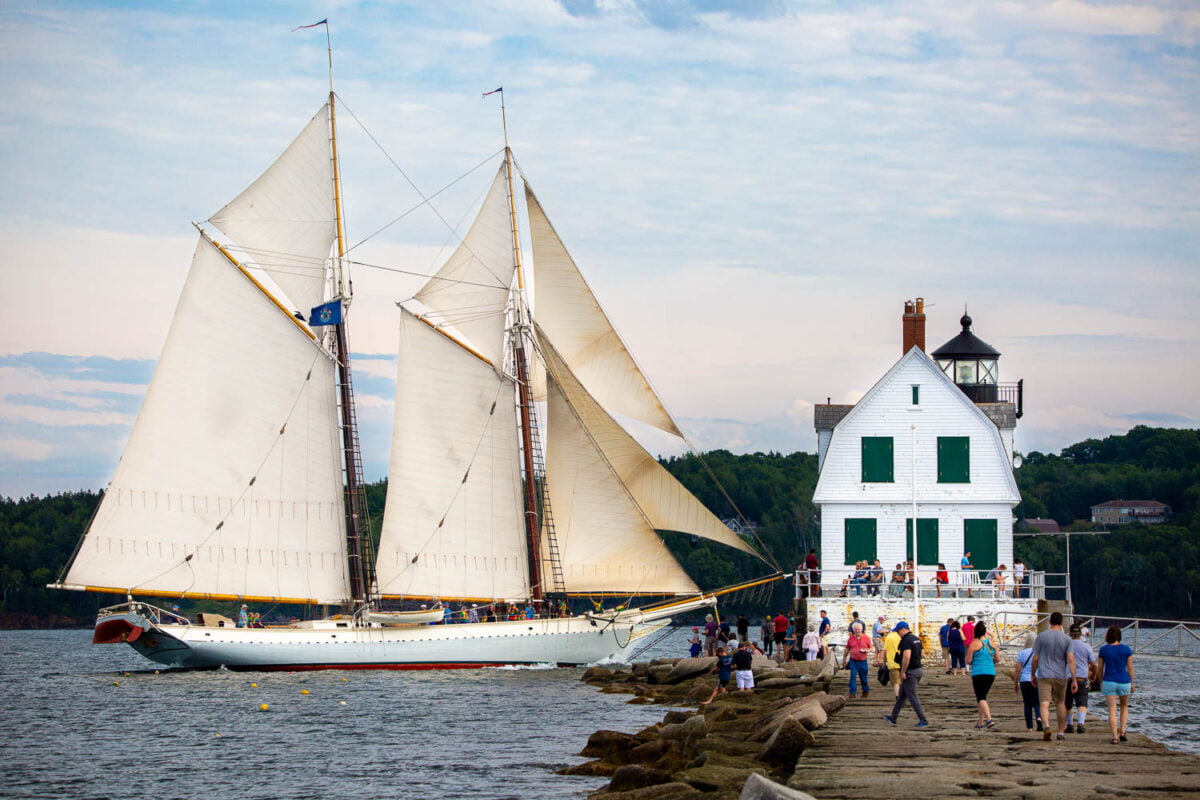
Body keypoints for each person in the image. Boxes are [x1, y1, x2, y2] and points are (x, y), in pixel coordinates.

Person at [1031, 611, 1078, 741]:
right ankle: (1061, 732)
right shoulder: (1067, 639)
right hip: (1060, 675)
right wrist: (1074, 679)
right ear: (1061, 622)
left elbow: (1035, 658)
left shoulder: (1041, 637)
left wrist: (1032, 674)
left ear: (1050, 621)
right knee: (1060, 703)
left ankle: (1047, 726)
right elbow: (1070, 659)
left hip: (1044, 674)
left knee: (1044, 702)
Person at [882, 621, 928, 728]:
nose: (898, 634)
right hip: (918, 669)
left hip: (910, 671)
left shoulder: (906, 640)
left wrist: (903, 671)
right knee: (901, 696)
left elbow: (907, 656)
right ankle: (893, 717)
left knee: (912, 697)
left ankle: (923, 720)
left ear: (902, 629)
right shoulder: (916, 638)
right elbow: (922, 654)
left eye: (898, 632)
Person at [1097, 625, 1134, 745]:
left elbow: (1100, 668)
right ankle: (1122, 731)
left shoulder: (1104, 649)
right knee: (1124, 706)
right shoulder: (1127, 649)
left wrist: (1100, 682)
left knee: (1112, 709)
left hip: (1109, 680)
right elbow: (1130, 668)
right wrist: (1132, 683)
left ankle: (1114, 736)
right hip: (1124, 680)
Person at [967, 620, 1001, 728]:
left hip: (978, 673)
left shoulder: (974, 644)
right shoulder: (992, 643)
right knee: (982, 697)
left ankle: (989, 719)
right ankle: (981, 721)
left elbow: (968, 660)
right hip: (990, 673)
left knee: (981, 697)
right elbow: (998, 659)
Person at [1065, 623, 1097, 733]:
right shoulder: (1086, 646)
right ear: (1080, 634)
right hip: (1082, 678)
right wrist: (1094, 674)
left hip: (1068, 678)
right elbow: (1093, 664)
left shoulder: (1066, 646)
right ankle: (1081, 723)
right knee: (1082, 702)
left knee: (1068, 704)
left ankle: (1070, 725)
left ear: (1070, 634)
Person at [1012, 632, 1043, 731]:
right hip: (1037, 679)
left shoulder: (1022, 653)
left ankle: (1029, 727)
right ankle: (1038, 717)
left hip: (1024, 680)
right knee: (1037, 701)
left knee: (1027, 704)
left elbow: (1018, 669)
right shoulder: (1040, 652)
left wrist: (1015, 682)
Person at [844, 620, 872, 698]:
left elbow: (871, 647)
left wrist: (867, 650)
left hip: (863, 661)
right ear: (854, 630)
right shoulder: (851, 638)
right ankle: (852, 692)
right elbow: (847, 649)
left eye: (859, 629)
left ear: (861, 629)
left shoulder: (866, 638)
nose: (857, 631)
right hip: (853, 661)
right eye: (856, 629)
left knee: (863, 677)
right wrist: (844, 659)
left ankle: (865, 690)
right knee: (852, 676)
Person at [879, 623, 903, 696]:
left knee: (896, 682)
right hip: (904, 662)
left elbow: (885, 651)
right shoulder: (903, 636)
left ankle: (898, 696)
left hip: (892, 663)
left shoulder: (890, 637)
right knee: (902, 680)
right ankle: (903, 695)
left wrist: (884, 662)